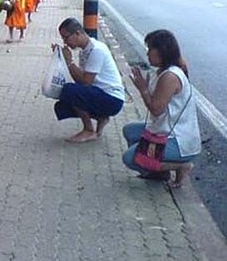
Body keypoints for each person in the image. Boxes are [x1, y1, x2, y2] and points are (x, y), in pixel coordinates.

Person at [123, 30, 200, 187]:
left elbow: (156, 109)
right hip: (164, 129)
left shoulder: (170, 76)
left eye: (150, 49)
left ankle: (181, 166)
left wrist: (143, 90)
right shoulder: (163, 71)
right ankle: (158, 171)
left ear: (162, 51)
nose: (147, 53)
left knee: (130, 158)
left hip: (178, 140)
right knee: (130, 131)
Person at [53, 17, 125, 143]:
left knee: (69, 90)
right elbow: (80, 81)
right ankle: (101, 117)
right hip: (100, 93)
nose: (65, 42)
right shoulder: (84, 51)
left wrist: (69, 61)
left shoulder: (97, 50)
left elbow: (86, 82)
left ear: (77, 33)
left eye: (66, 37)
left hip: (112, 98)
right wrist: (63, 58)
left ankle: (89, 130)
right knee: (63, 103)